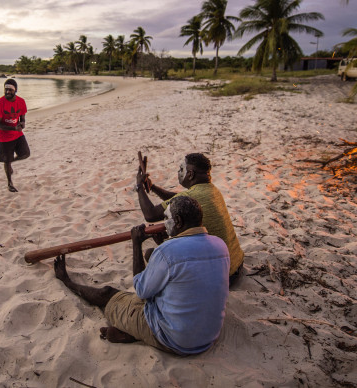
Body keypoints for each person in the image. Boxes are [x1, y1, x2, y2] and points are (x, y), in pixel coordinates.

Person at [54, 196, 230, 355]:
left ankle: (67, 281)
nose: (164, 223)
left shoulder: (167, 252)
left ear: (177, 221)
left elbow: (140, 290)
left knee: (107, 293)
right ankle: (132, 333)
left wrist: (136, 244)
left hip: (176, 340)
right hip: (208, 337)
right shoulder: (220, 245)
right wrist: (164, 244)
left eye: (166, 218)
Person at [136, 152, 244, 283]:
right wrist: (153, 187)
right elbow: (177, 199)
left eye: (181, 169)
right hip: (236, 264)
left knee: (151, 254)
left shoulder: (194, 195)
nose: (178, 172)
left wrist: (139, 187)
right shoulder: (212, 190)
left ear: (191, 174)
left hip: (224, 275)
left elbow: (150, 214)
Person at [0, 78, 30, 192]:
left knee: (25, 154)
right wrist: (13, 128)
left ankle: (9, 162)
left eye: (10, 90)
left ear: (16, 90)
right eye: (6, 89)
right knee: (7, 161)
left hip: (17, 134)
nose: (8, 92)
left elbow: (22, 117)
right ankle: (10, 183)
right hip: (3, 137)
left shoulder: (21, 101)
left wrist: (22, 123)